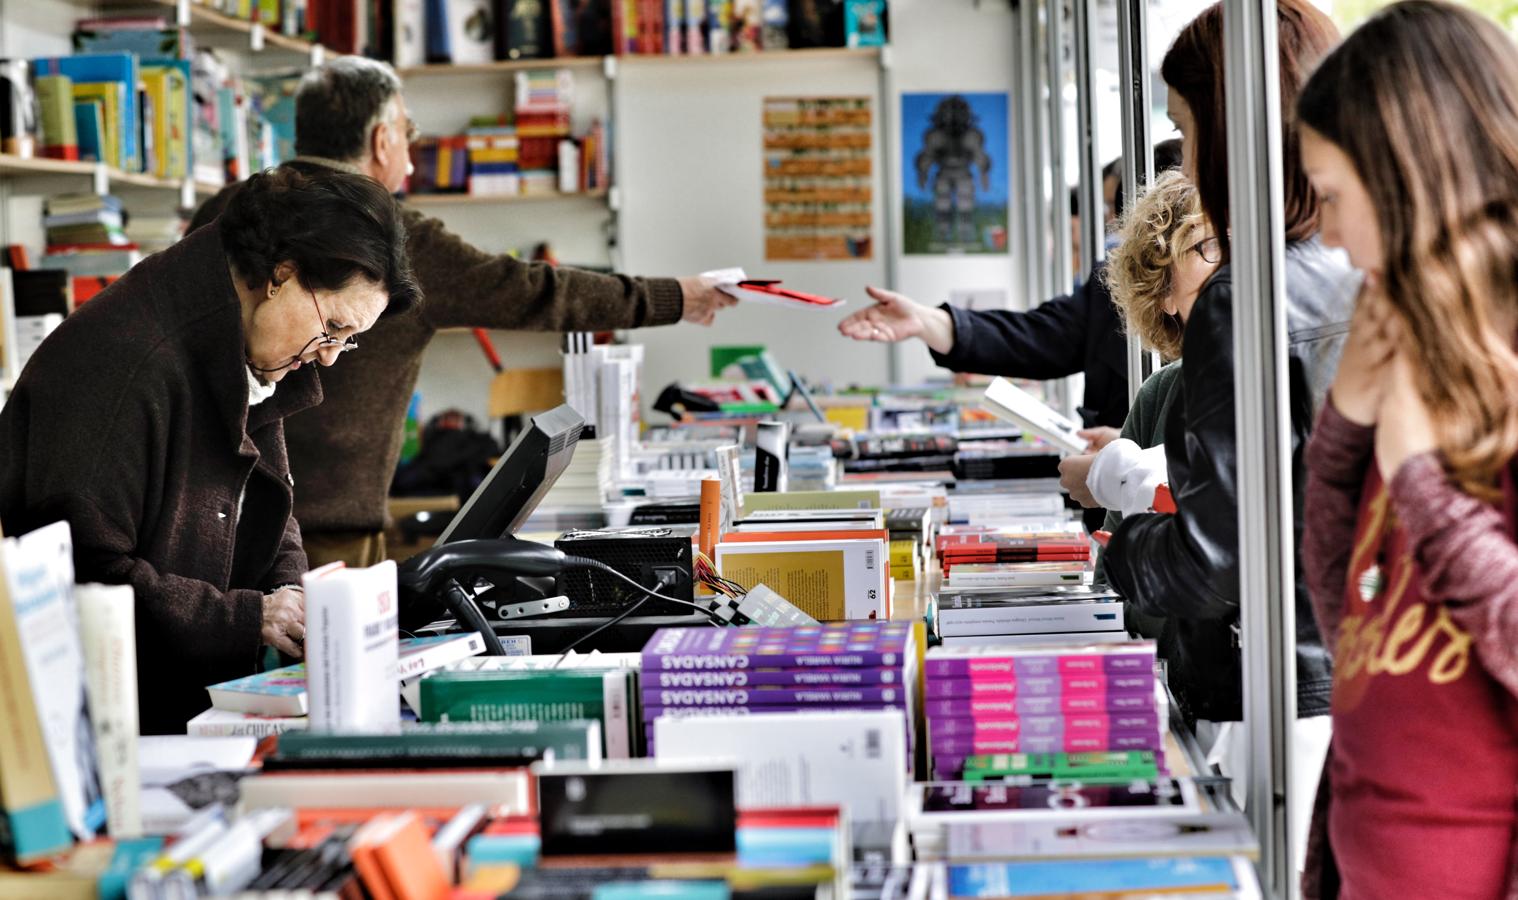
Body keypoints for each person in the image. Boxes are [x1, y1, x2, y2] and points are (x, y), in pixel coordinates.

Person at [188, 57, 736, 569]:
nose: (409, 150)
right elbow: (533, 291)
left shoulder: (226, 212)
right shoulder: (393, 238)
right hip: (327, 535)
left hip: (206, 520)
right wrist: (677, 296)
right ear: (382, 140)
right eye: (408, 133)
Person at [0, 166, 421, 734]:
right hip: (111, 722)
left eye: (348, 343)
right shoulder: (128, 364)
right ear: (283, 274)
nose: (328, 357)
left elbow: (269, 499)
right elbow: (86, 575)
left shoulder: (248, 343)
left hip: (191, 704)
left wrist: (291, 592)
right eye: (334, 329)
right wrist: (250, 618)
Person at [1097, 0, 1352, 869]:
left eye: (1184, 127)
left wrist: (1117, 545)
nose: (1186, 158)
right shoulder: (1357, 269)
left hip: (1269, 697)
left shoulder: (1246, 299)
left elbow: (1215, 561)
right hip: (1361, 680)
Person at [1297, 4, 1518, 896]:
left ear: (1409, 180)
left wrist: (1425, 487)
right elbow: (1346, 627)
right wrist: (1343, 440)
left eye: (1338, 196)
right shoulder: (1416, 367)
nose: (1335, 239)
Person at [838, 139, 1184, 449]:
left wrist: (1133, 456)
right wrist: (928, 321)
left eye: (1117, 210)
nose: (1115, 224)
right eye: (1112, 209)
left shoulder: (1219, 312)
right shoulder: (1109, 286)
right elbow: (1036, 336)